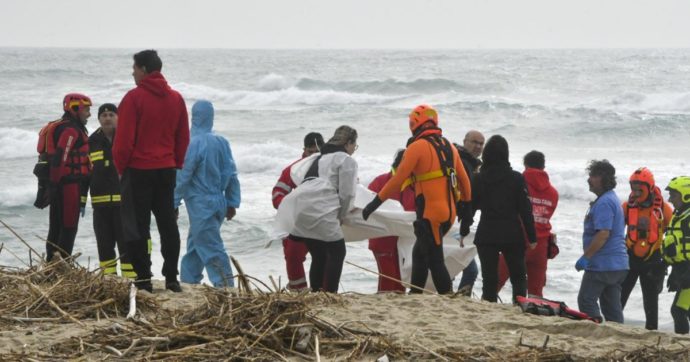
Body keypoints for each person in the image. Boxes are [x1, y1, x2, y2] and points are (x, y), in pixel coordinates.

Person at [363, 105, 472, 295]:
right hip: (449, 214)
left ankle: (448, 297)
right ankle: (415, 295)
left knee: (435, 260)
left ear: (415, 123)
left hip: (431, 214)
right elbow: (464, 181)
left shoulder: (417, 147)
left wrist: (374, 204)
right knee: (419, 253)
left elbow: (397, 179)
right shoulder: (449, 146)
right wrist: (467, 210)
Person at [113, 49, 190, 293]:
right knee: (167, 223)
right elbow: (183, 137)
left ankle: (144, 277)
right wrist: (176, 162)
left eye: (134, 68)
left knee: (137, 226)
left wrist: (120, 167)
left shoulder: (134, 98)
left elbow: (124, 140)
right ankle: (171, 277)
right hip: (166, 169)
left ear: (144, 70)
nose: (132, 72)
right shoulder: (176, 98)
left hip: (138, 170)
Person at [174, 100, 240, 288]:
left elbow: (183, 176)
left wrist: (173, 202)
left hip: (200, 203)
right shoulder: (222, 142)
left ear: (193, 117)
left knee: (211, 248)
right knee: (196, 245)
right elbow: (232, 173)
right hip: (219, 200)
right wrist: (232, 201)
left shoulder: (192, 143)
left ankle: (226, 287)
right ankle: (189, 281)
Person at [463, 135, 536, 303]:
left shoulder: (479, 178)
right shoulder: (516, 178)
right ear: (506, 154)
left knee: (489, 278)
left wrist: (464, 230)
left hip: (487, 233)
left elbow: (471, 207)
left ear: (486, 153)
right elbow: (525, 209)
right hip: (512, 233)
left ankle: (488, 306)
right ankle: (519, 306)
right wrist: (532, 237)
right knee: (518, 276)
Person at [288, 126, 358, 293]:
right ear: (348, 143)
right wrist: (341, 216)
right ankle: (330, 294)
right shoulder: (346, 160)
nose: (354, 149)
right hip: (322, 210)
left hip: (301, 208)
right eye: (355, 145)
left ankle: (316, 293)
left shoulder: (319, 157)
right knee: (338, 252)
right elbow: (347, 194)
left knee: (319, 255)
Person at [497, 150, 558, 297]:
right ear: (543, 167)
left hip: (516, 241)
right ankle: (531, 315)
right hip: (541, 245)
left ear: (525, 165)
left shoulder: (517, 184)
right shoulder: (553, 193)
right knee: (535, 292)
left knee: (495, 281)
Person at [576, 160, 628, 323]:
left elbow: (603, 233)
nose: (589, 179)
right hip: (618, 265)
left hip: (603, 264)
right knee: (612, 308)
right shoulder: (611, 199)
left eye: (593, 175)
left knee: (586, 300)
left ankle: (595, 330)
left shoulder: (605, 202)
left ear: (604, 179)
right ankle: (618, 335)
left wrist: (586, 257)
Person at [620, 167, 673, 330]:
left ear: (650, 188)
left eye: (639, 190)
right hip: (630, 258)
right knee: (619, 297)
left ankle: (651, 331)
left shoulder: (664, 209)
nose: (635, 193)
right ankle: (612, 326)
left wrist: (668, 261)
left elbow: (673, 235)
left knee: (651, 302)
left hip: (653, 260)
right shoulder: (626, 207)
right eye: (633, 189)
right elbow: (615, 232)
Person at [87, 103, 135, 278]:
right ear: (99, 118)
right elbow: (85, 174)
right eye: (104, 115)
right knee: (104, 245)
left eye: (111, 114)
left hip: (124, 204)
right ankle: (109, 279)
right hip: (100, 206)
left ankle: (131, 279)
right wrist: (81, 200)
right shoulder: (91, 142)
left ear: (119, 118)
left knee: (127, 244)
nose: (107, 118)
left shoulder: (127, 138)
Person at [272, 132, 325, 291]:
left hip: (322, 220)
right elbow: (277, 194)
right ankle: (298, 290)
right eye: (310, 152)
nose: (314, 155)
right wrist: (291, 206)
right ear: (304, 150)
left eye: (317, 151)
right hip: (298, 221)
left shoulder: (330, 167)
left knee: (326, 257)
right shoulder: (293, 169)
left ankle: (323, 290)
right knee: (293, 253)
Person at [45, 93, 92, 261]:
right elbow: (61, 158)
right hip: (67, 186)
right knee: (68, 227)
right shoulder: (71, 130)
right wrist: (55, 185)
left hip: (61, 186)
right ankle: (61, 266)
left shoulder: (67, 127)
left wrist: (53, 186)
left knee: (56, 227)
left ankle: (51, 266)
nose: (89, 114)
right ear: (75, 109)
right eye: (86, 110)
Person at [367, 149, 416, 293]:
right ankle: (382, 310)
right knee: (388, 279)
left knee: (401, 282)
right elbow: (366, 207)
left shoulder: (415, 185)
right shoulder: (381, 182)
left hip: (405, 242)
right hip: (382, 240)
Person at [453, 130, 485, 296]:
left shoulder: (474, 164)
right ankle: (455, 298)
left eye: (481, 144)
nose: (478, 146)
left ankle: (453, 298)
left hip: (460, 222)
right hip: (453, 221)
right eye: (474, 142)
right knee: (469, 269)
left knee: (460, 264)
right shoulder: (460, 161)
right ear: (465, 141)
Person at [661, 176, 690, 334]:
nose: (670, 199)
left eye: (673, 195)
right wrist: (670, 269)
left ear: (686, 195)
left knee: (678, 310)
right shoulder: (679, 216)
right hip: (681, 269)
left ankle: (683, 345)